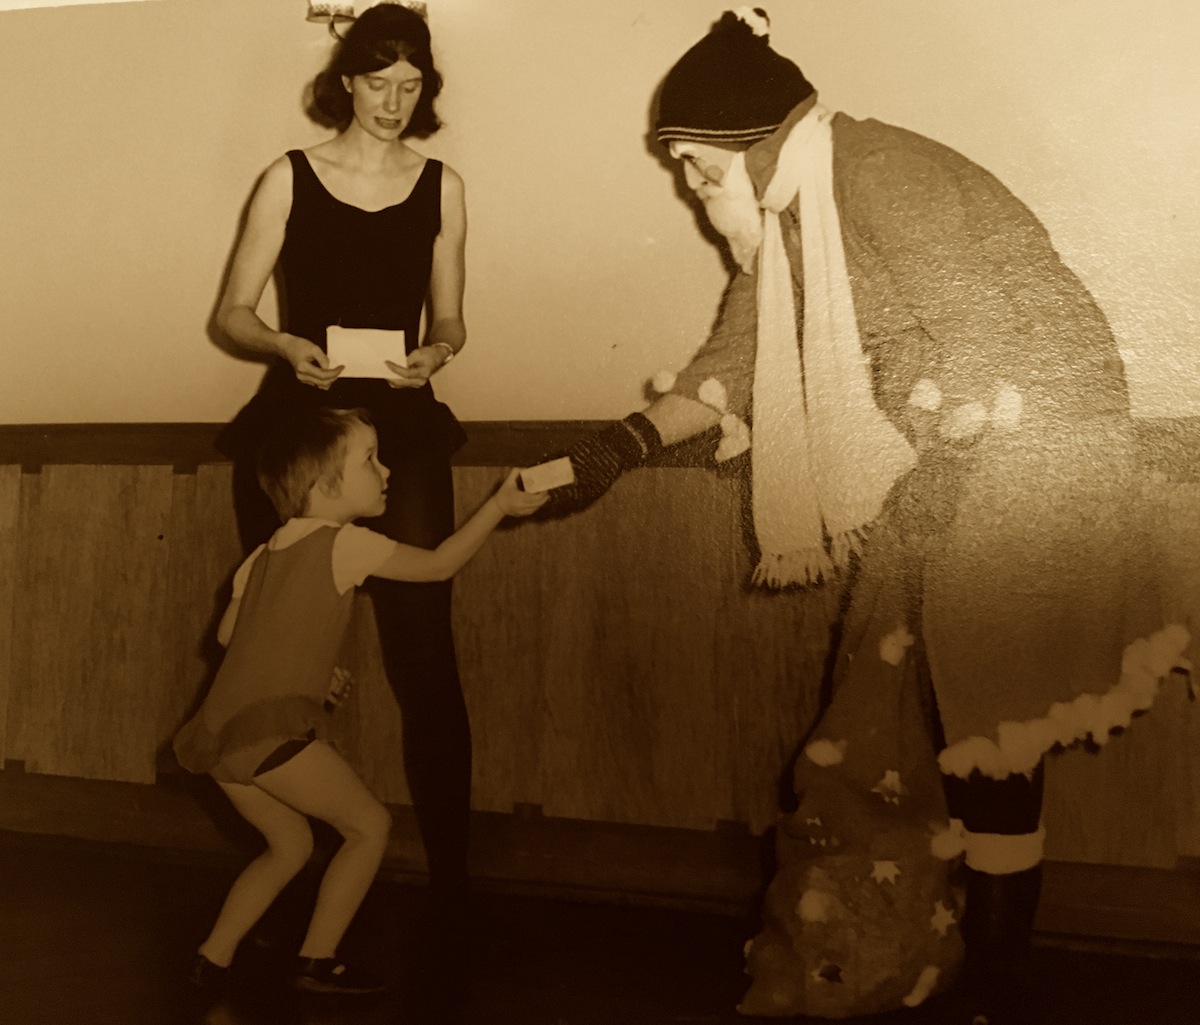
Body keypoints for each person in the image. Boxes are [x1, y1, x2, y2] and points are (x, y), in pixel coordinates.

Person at [542, 9, 1190, 1024]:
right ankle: (963, 962)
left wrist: (957, 460)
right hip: (960, 462)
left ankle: (998, 987)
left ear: (753, 142)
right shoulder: (798, 215)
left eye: (697, 165)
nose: (691, 185)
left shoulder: (880, 173)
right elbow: (736, 360)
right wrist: (620, 446)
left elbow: (982, 326)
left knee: (990, 726)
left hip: (1036, 451)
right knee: (952, 726)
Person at [213, 2, 478, 940]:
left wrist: (438, 351)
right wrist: (285, 346)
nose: (394, 103)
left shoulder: (442, 185)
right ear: (347, 83)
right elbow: (233, 313)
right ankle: (283, 864)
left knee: (424, 653)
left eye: (411, 86)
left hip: (401, 427)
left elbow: (451, 317)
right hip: (300, 423)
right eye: (378, 83)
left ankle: (455, 883)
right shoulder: (288, 176)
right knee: (274, 652)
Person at [175, 407, 547, 994]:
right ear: (326, 487)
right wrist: (498, 506)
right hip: (270, 736)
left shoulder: (263, 553)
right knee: (369, 827)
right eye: (370, 460)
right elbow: (438, 566)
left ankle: (212, 957)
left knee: (289, 846)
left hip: (219, 738)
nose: (386, 470)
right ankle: (317, 960)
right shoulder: (344, 543)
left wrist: (309, 669)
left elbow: (228, 637)